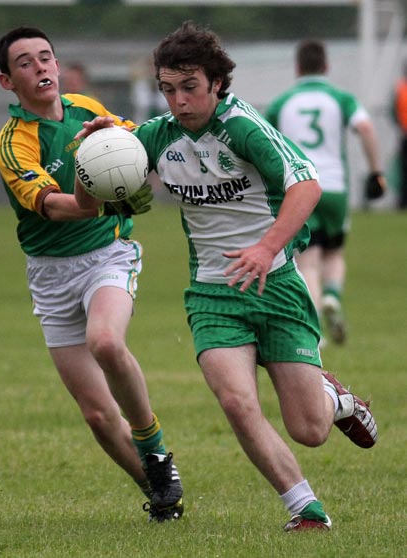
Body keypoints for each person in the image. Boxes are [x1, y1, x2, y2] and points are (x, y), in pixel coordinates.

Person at [75, 21, 378, 532]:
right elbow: (89, 204)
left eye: (190, 87)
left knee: (309, 429)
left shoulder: (244, 128)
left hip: (277, 284)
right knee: (237, 401)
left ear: (217, 83)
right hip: (213, 294)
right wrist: (94, 162)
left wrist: (265, 247)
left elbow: (306, 185)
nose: (179, 101)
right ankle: (305, 509)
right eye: (168, 89)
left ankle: (336, 399)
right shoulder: (156, 137)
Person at [0, 26, 183, 523]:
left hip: (107, 255)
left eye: (46, 58)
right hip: (51, 277)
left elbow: (130, 146)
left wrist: (123, 157)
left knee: (105, 341)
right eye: (25, 63)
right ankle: (160, 491)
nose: (40, 68)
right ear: (7, 82)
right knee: (98, 416)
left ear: (57, 65)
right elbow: (57, 208)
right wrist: (89, 188)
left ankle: (155, 447)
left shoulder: (84, 108)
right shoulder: (13, 144)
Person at [266, 39, 386, 345]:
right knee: (335, 251)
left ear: (297, 67)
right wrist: (376, 172)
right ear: (326, 66)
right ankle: (332, 295)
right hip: (334, 187)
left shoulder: (281, 102)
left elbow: (263, 142)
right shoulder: (341, 98)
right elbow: (367, 128)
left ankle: (315, 322)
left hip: (298, 187)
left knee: (308, 260)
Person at [392, 61, 407, 209]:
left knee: (404, 170)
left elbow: (394, 112)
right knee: (403, 170)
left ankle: (402, 201)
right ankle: (402, 201)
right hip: (404, 134)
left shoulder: (400, 89)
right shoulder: (400, 89)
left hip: (404, 134)